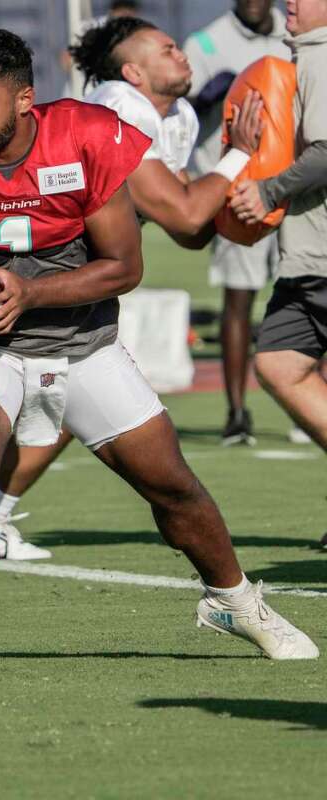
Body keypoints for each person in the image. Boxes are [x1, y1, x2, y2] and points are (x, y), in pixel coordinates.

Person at [0, 28, 316, 687]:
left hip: (82, 346)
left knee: (173, 489)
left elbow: (123, 266)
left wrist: (29, 292)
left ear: (25, 100)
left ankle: (235, 600)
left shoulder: (84, 135)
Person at [0, 16, 264, 562]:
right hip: (39, 271)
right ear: (133, 71)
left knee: (62, 409)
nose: (181, 55)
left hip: (80, 281)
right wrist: (240, 157)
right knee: (37, 401)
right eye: (165, 49)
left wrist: (256, 200)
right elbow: (184, 216)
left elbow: (190, 228)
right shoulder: (115, 113)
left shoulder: (174, 115)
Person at [231, 0, 327, 545]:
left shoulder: (323, 54)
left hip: (323, 260)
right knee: (277, 363)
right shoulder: (303, 53)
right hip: (308, 260)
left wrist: (266, 189)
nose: (289, 2)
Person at [184, 1, 291, 445]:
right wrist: (201, 97)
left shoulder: (296, 28)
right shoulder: (205, 42)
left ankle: (306, 400)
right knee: (239, 297)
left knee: (307, 290)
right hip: (236, 188)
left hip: (293, 184)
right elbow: (180, 108)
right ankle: (236, 413)